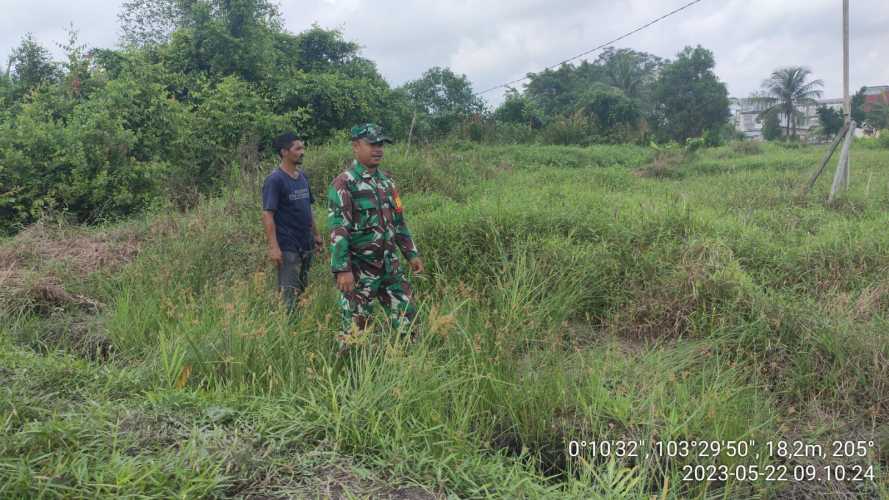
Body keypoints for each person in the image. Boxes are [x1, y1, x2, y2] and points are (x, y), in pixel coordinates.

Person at [327, 123, 424, 350]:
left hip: (390, 268)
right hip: (360, 272)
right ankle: (350, 374)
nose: (378, 149)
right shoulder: (344, 184)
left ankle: (408, 365)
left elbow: (399, 222)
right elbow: (338, 229)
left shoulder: (387, 183)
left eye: (381, 144)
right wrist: (342, 269)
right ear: (356, 146)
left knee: (408, 317)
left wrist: (411, 253)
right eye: (372, 144)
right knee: (355, 330)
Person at [262, 132, 322, 311]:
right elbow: (267, 215)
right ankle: (287, 329)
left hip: (306, 243)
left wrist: (317, 235)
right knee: (289, 295)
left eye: (303, 147)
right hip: (288, 247)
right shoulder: (275, 180)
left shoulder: (302, 177)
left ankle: (299, 326)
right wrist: (273, 247)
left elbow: (308, 209)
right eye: (298, 148)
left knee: (303, 290)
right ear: (284, 152)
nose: (302, 152)